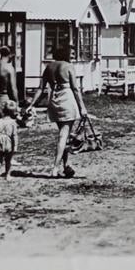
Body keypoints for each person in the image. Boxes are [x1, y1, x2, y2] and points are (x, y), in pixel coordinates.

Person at [27, 44, 87, 178]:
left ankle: (66, 166)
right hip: (67, 100)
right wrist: (82, 107)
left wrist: (31, 104)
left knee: (63, 134)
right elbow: (75, 89)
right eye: (71, 54)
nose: (73, 56)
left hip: (54, 101)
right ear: (65, 54)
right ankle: (55, 168)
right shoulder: (69, 66)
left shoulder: (49, 67)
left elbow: (40, 89)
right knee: (63, 135)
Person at [0, 100, 20, 181]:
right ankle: (7, 175)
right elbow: (14, 135)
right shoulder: (13, 122)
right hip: (8, 142)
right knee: (8, 160)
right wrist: (15, 146)